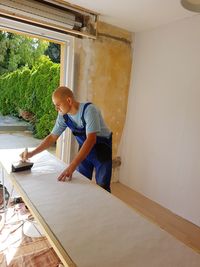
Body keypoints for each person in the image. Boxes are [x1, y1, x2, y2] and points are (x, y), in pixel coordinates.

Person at [21, 86, 112, 192]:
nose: (56, 109)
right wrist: (32, 153)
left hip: (102, 148)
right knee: (82, 182)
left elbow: (91, 140)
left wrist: (72, 166)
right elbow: (52, 137)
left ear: (69, 100)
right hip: (85, 148)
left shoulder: (89, 110)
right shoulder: (64, 115)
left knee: (102, 185)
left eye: (58, 105)